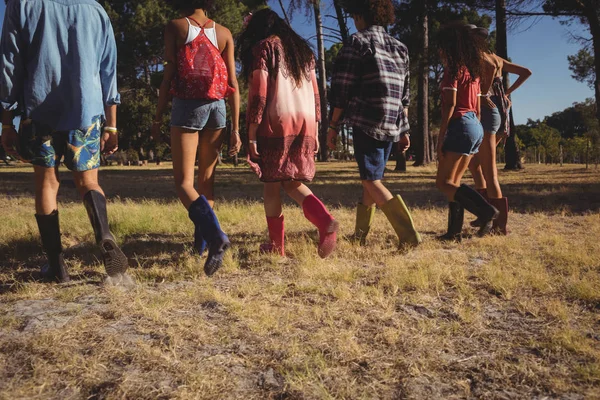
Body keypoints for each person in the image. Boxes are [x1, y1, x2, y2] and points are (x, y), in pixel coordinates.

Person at [0, 0, 131, 285]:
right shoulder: (94, 9)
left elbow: (10, 63)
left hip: (39, 110)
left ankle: (57, 267)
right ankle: (104, 234)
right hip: (86, 111)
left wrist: (7, 122)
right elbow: (108, 68)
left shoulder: (22, 5)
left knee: (47, 184)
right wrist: (111, 123)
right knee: (89, 182)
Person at [237, 9, 338, 258]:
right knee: (290, 181)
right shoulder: (303, 52)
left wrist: (251, 132)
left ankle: (277, 245)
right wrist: (315, 128)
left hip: (276, 120)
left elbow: (259, 93)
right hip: (304, 122)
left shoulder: (264, 48)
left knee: (271, 183)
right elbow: (316, 94)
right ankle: (324, 221)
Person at [152, 0, 241, 275]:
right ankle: (200, 248)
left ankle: (216, 238)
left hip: (188, 105)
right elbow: (233, 83)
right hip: (218, 108)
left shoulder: (176, 26)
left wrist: (157, 117)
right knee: (206, 184)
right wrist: (236, 128)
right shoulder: (224, 32)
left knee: (183, 183)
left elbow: (168, 76)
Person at [328, 0, 421, 248]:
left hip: (366, 119)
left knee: (370, 179)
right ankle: (360, 235)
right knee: (373, 176)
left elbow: (342, 88)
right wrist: (404, 129)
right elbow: (405, 96)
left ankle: (408, 235)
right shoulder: (400, 47)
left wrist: (333, 125)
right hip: (392, 121)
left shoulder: (357, 42)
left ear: (359, 15)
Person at [435, 22, 499, 241]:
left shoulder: (453, 69)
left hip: (460, 124)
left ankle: (486, 211)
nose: (439, 50)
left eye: (441, 46)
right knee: (455, 183)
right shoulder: (472, 70)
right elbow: (478, 104)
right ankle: (454, 232)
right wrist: (476, 128)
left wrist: (441, 136)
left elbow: (450, 105)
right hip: (474, 124)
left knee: (443, 183)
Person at [467, 27, 532, 235]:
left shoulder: (483, 59)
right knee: (475, 164)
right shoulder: (495, 58)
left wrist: (489, 95)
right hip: (494, 109)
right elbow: (526, 72)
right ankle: (486, 213)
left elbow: (482, 91)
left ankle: (500, 226)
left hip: (487, 111)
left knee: (489, 170)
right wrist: (506, 95)